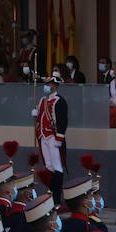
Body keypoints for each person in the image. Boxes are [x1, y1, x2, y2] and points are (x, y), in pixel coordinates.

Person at [33, 72, 68, 204]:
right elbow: (40, 118)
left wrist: (59, 138)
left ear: (54, 85)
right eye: (46, 84)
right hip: (43, 136)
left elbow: (63, 121)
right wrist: (35, 114)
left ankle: (56, 198)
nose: (46, 86)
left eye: (48, 84)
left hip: (53, 137)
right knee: (48, 166)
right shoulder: (42, 100)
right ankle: (50, 193)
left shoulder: (59, 101)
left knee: (57, 167)